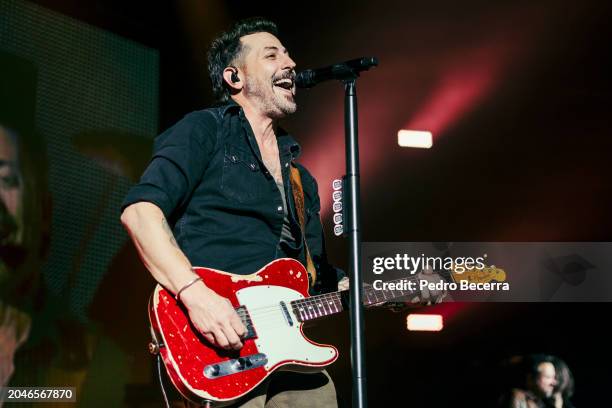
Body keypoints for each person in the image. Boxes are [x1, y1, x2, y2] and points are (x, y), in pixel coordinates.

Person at [120, 17, 441, 407]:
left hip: (292, 361)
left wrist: (394, 293)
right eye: (272, 55)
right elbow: (140, 212)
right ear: (234, 77)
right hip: (216, 347)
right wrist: (196, 295)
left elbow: (320, 282)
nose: (289, 63)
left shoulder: (300, 178)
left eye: (288, 53)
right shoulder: (203, 130)